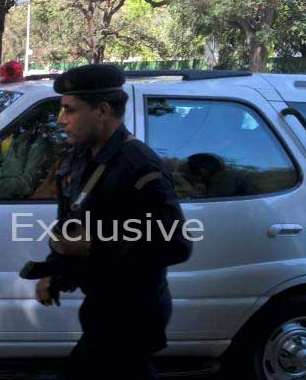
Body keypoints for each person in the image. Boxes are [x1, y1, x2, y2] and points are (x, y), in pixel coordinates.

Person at [33, 64, 193, 380]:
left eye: (70, 110)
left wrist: (96, 244)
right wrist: (56, 273)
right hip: (103, 308)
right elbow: (76, 227)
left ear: (102, 110)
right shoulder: (84, 157)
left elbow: (176, 244)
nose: (61, 119)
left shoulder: (138, 165)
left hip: (132, 314)